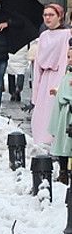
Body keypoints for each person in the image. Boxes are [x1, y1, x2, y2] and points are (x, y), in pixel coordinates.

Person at [32, 5, 71, 145]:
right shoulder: (43, 35)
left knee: (54, 110)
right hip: (45, 79)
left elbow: (65, 58)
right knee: (41, 112)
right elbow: (38, 63)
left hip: (58, 76)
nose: (47, 18)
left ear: (59, 16)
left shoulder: (67, 34)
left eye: (51, 15)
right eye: (45, 15)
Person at [48, 44, 72, 176]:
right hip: (65, 114)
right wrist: (57, 91)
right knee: (63, 142)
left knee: (69, 143)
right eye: (68, 57)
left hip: (70, 113)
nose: (70, 60)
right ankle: (63, 171)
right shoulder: (68, 73)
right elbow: (64, 89)